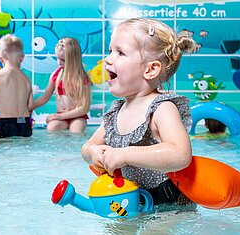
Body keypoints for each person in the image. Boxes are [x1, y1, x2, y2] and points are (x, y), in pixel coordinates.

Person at [81, 18, 197, 205]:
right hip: (130, 201)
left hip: (166, 205)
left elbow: (180, 154)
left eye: (120, 53)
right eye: (110, 51)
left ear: (151, 70)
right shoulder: (116, 112)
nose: (108, 59)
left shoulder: (161, 109)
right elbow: (86, 147)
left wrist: (124, 154)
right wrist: (94, 152)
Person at [31, 37, 91, 133]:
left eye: (63, 60)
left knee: (76, 131)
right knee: (51, 128)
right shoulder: (55, 75)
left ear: (74, 60)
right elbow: (45, 97)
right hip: (61, 117)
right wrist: (29, 107)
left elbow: (84, 108)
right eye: (57, 58)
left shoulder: (82, 79)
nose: (59, 63)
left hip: (78, 117)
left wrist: (59, 116)